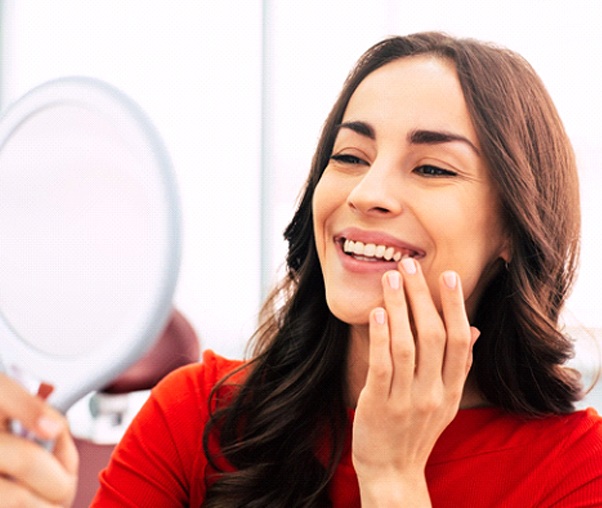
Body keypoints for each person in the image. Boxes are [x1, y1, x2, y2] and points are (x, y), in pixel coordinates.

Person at [1, 31, 601, 507]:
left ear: (512, 230)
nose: (367, 192)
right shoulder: (193, 418)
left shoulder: (578, 472)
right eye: (349, 156)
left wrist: (391, 478)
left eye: (432, 168)